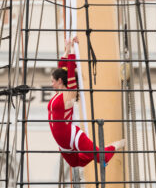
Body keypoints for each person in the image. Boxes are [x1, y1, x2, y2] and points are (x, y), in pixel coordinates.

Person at [48, 36, 125, 168]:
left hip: (71, 136)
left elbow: (69, 73)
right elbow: (61, 69)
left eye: (52, 81)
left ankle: (117, 145)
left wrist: (72, 50)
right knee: (75, 163)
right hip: (62, 143)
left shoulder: (69, 94)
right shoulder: (59, 94)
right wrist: (67, 50)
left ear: (59, 81)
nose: (51, 84)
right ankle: (95, 150)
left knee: (102, 157)